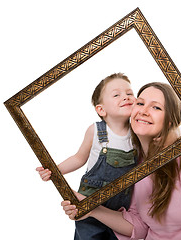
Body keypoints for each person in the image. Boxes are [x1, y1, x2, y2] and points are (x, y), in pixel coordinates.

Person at [62, 82, 181, 240]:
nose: (143, 111)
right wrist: (90, 208)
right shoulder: (132, 162)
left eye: (156, 107)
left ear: (169, 121)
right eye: (140, 103)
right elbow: (140, 226)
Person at [36, 73, 138, 240]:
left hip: (119, 210)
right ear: (101, 109)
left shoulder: (138, 134)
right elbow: (78, 158)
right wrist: (54, 171)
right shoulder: (97, 131)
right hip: (88, 202)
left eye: (129, 93)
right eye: (116, 95)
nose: (126, 97)